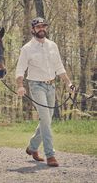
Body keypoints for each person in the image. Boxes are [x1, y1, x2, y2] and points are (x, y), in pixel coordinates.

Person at [15, 17, 75, 167]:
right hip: (36, 86)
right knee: (46, 119)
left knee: (46, 119)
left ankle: (32, 147)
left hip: (51, 86)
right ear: (33, 29)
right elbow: (20, 69)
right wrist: (20, 85)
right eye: (38, 26)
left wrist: (68, 83)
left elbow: (59, 67)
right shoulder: (27, 48)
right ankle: (50, 155)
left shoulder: (53, 46)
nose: (41, 28)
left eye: (43, 26)